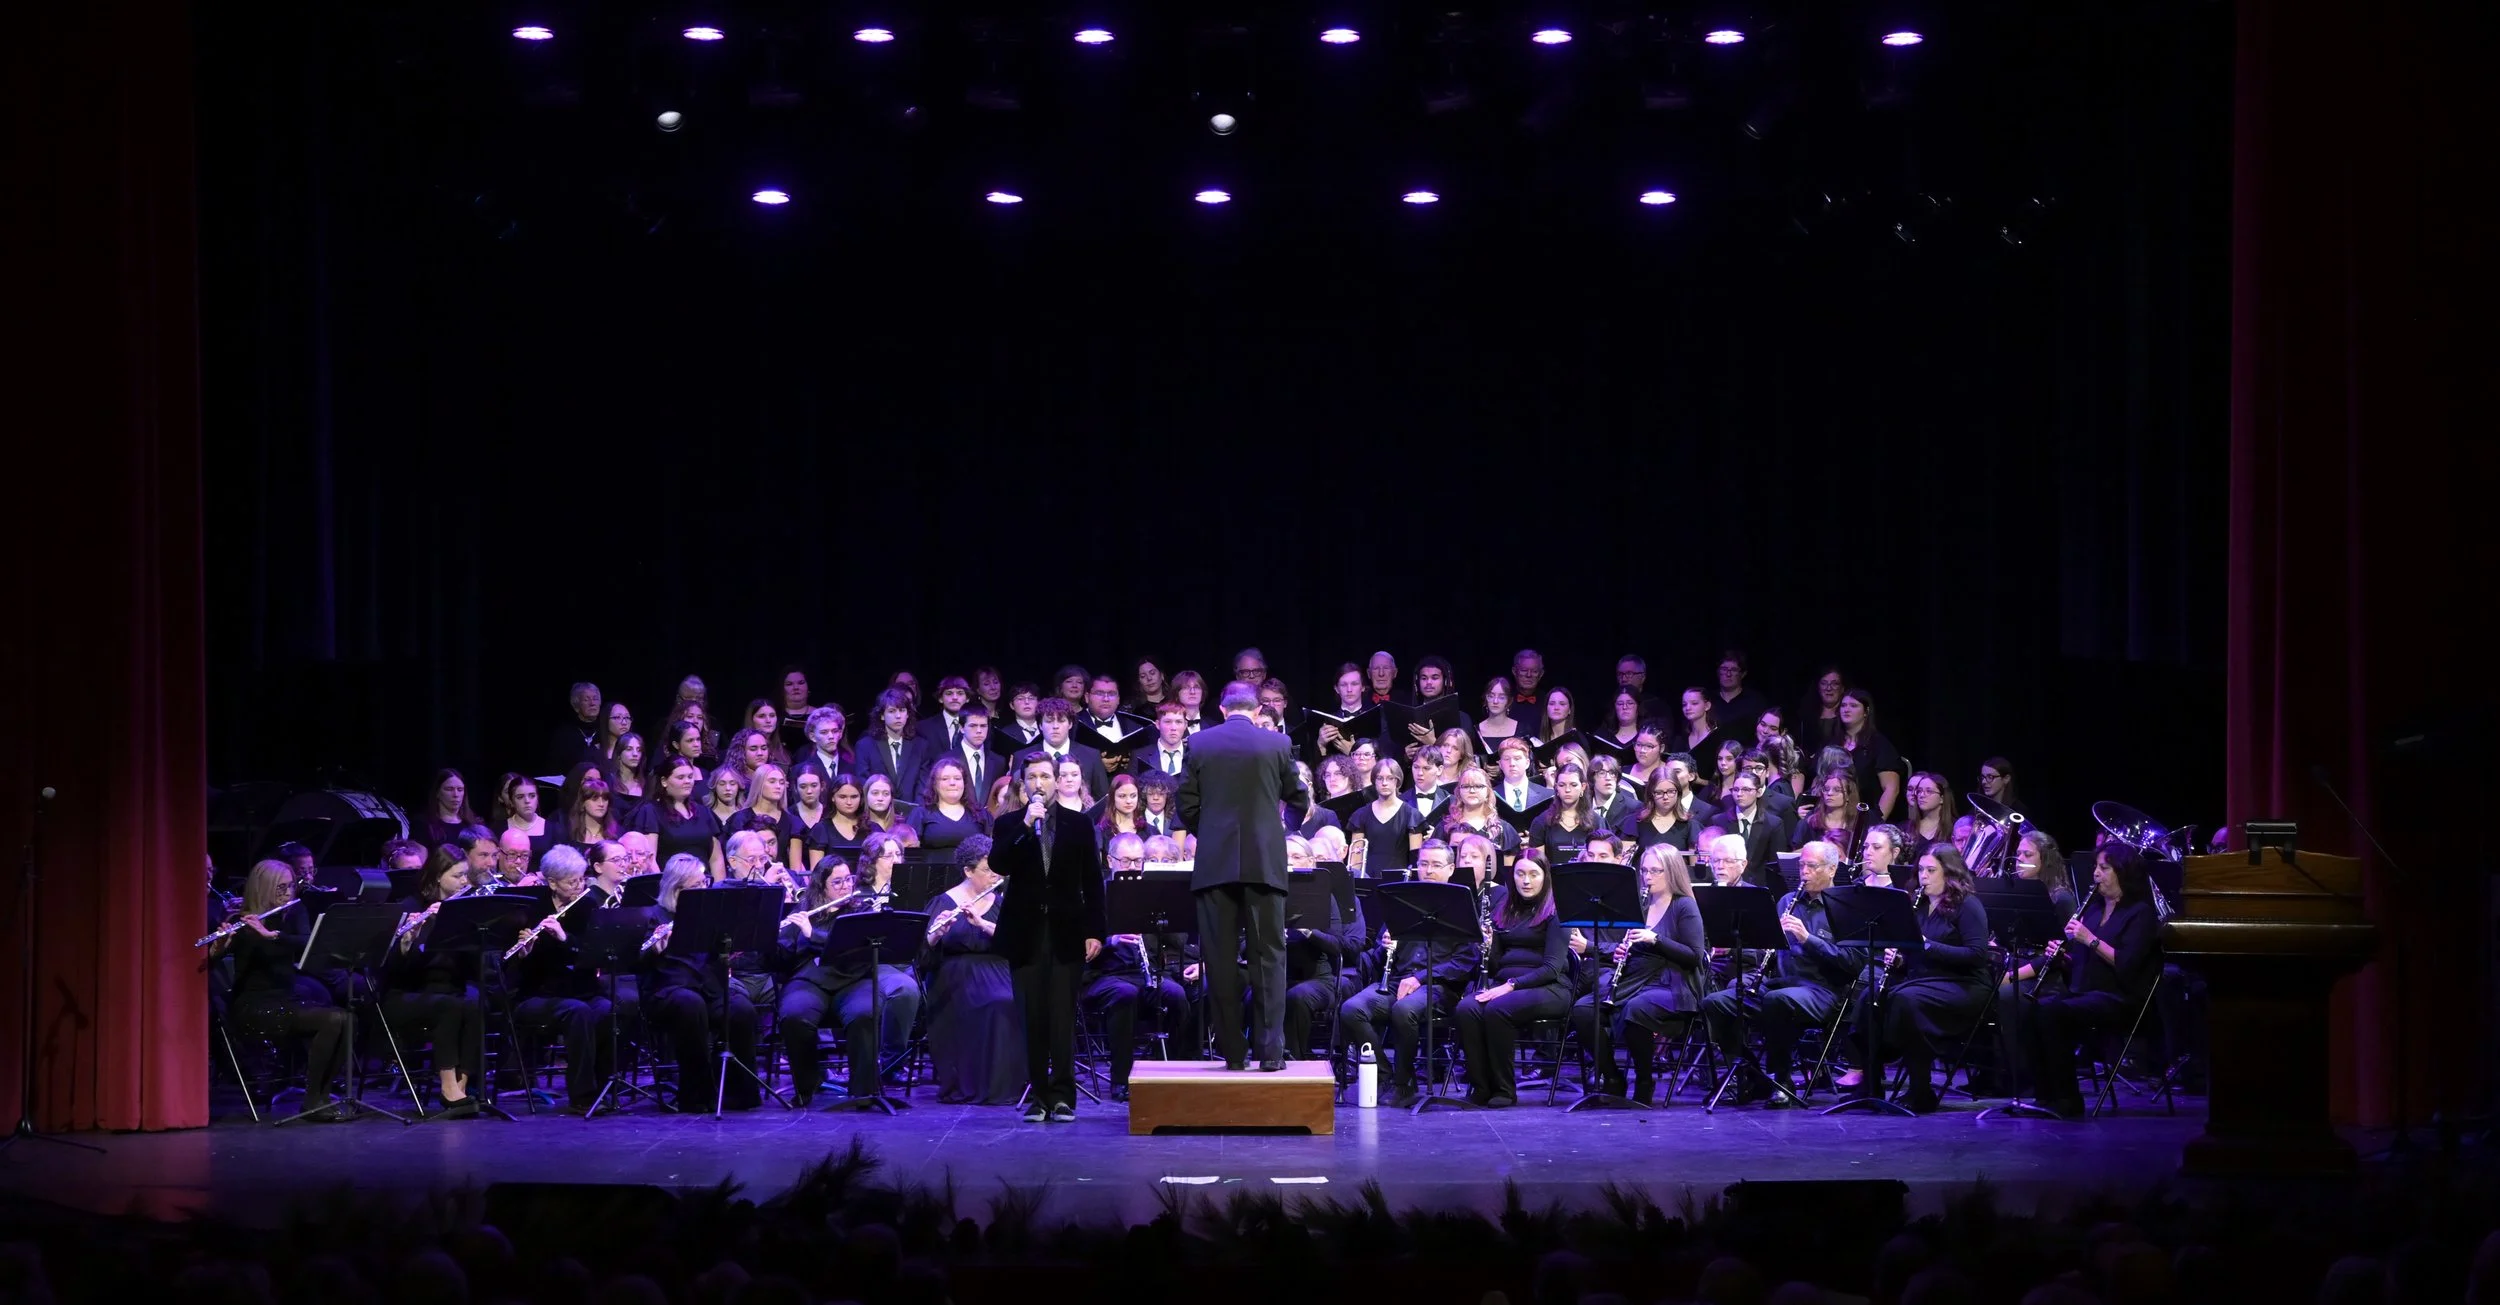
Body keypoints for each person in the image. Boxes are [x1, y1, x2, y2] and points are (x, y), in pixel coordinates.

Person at [1177, 681, 1310, 1072]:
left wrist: (1214, 834)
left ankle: (1233, 1054)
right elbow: (1299, 798)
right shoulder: (1277, 744)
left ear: (1221, 709)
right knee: (1269, 957)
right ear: (1256, 711)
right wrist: (1276, 829)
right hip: (1264, 865)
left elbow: (1185, 804)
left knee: (1218, 960)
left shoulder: (1200, 743)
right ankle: (1269, 1055)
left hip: (1215, 868)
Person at [988, 752, 1107, 1121]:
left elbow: (1093, 881)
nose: (1039, 783)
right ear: (1022, 784)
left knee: (1061, 1017)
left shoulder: (1079, 824)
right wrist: (1025, 826)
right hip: (1025, 933)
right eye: (1032, 777)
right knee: (1032, 1018)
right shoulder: (1009, 824)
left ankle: (1062, 1096)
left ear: (1057, 780)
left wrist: (1095, 930)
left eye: (1045, 776)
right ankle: (1038, 1097)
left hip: (1067, 931)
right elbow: (998, 865)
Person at [1699, 840, 1854, 1105]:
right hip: (1781, 984)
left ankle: (1781, 1079)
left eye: (1812, 866)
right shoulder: (1786, 901)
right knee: (1716, 1003)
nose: (1804, 872)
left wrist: (1807, 939)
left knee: (1777, 1000)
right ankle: (1754, 1076)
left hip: (1823, 990)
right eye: (1801, 865)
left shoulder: (1846, 907)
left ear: (1831, 869)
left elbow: (1851, 962)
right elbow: (1767, 951)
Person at [2017, 844, 2163, 1120]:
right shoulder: (2094, 911)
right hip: (2087, 993)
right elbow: (2082, 964)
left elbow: (2127, 965)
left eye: (2104, 868)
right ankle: (2044, 1094)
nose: (2096, 874)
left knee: (2052, 1014)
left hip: (2121, 999)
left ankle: (2068, 1100)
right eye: (2096, 867)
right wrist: (2063, 958)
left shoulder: (2140, 913)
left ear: (2124, 873)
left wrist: (2089, 939)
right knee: (2031, 1009)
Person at [1337, 840, 1479, 1106]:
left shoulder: (1461, 903)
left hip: (1439, 987)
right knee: (1351, 1009)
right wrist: (1385, 946)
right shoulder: (1401, 902)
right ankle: (1386, 1074)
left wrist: (1421, 978)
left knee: (1404, 1010)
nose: (1429, 870)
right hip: (1397, 983)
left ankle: (1404, 1081)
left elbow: (1466, 960)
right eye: (1424, 864)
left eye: (1436, 865)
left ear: (1451, 868)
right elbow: (1380, 958)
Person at [218, 859, 352, 1121]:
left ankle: (320, 1097)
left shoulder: (293, 912)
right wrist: (219, 946)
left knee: (348, 1019)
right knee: (334, 1019)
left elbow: (306, 942)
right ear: (263, 888)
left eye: (291, 886)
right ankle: (313, 1100)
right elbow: (213, 962)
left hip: (286, 997)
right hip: (253, 1006)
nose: (288, 893)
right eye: (280, 888)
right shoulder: (240, 920)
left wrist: (272, 935)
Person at [780, 858, 921, 1108]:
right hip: (811, 980)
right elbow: (784, 954)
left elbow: (848, 947)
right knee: (794, 1014)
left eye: (848, 879)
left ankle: (862, 1092)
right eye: (837, 882)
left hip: (854, 980)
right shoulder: (803, 910)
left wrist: (813, 935)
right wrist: (779, 935)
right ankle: (806, 1086)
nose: (846, 886)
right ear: (821, 885)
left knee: (865, 1014)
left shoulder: (861, 911)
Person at [1573, 845, 1709, 1104]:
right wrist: (1623, 950)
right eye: (1644, 870)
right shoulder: (1642, 905)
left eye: (1655, 871)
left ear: (1671, 872)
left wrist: (1655, 939)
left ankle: (1645, 1079)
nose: (1648, 877)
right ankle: (1612, 1076)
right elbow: (1629, 944)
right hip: (1637, 977)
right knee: (1583, 1010)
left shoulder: (1684, 906)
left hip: (1674, 982)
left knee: (1636, 1009)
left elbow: (1694, 955)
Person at [1869, 844, 1992, 1113]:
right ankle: (1869, 1084)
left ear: (1949, 874)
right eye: (1921, 870)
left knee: (1906, 1001)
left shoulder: (1967, 905)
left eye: (1931, 870)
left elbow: (1976, 955)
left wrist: (1926, 946)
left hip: (1964, 985)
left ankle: (1920, 1089)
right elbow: (1914, 955)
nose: (1923, 876)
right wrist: (1900, 959)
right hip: (1924, 981)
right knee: (1871, 995)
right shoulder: (1918, 905)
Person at [1080, 833, 1193, 1100]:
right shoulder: (1093, 896)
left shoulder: (1149, 896)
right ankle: (1122, 1080)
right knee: (1124, 994)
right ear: (1110, 860)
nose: (1132, 868)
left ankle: (1178, 1073)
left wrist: (1157, 924)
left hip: (1146, 973)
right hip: (1104, 975)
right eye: (1126, 861)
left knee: (1176, 995)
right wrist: (1110, 939)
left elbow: (1178, 939)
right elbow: (1079, 945)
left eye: (1137, 861)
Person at [642, 856, 761, 1112]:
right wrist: (655, 948)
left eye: (703, 883)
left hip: (709, 989)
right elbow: (637, 960)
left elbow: (721, 952)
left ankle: (738, 1092)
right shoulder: (655, 917)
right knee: (690, 1005)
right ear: (677, 889)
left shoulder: (710, 915)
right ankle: (696, 1094)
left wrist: (729, 949)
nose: (703, 890)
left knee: (741, 1010)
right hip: (667, 992)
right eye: (695, 886)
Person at [504, 845, 615, 1114]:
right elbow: (513, 965)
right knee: (578, 1012)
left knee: (608, 1008)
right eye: (571, 882)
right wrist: (525, 952)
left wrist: (565, 939)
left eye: (581, 879)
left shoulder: (588, 906)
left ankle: (604, 1089)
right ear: (552, 883)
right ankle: (582, 1097)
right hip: (538, 996)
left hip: (580, 990)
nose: (579, 886)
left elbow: (592, 953)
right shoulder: (531, 908)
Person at [1454, 853, 1571, 1107]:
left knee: (1498, 1009)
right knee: (1467, 1008)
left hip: (1549, 987)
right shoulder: (1505, 908)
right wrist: (1488, 945)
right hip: (1506, 986)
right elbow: (1495, 965)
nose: (1526, 881)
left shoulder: (1557, 911)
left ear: (1545, 877)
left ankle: (1504, 1090)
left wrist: (1510, 986)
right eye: (1520, 874)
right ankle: (1482, 1086)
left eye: (1533, 874)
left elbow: (1552, 968)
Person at [383, 852, 488, 1116]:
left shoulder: (463, 908)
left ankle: (461, 1087)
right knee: (450, 1006)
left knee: (475, 1003)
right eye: (457, 875)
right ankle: (448, 1088)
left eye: (466, 874)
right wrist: (409, 940)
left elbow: (472, 968)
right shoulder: (411, 906)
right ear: (438, 878)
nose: (465, 881)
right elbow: (390, 970)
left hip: (450, 990)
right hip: (407, 994)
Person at [1837, 688, 1906, 819]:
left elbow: (1891, 789)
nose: (1846, 709)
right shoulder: (1833, 743)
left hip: (1865, 815)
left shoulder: (1878, 744)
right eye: (1843, 705)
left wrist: (1876, 822)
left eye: (1853, 705)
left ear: (1866, 712)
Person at [906, 756, 992, 858]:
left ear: (964, 783)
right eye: (945, 779)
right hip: (932, 872)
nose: (952, 783)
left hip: (970, 873)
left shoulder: (980, 814)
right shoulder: (921, 814)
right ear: (935, 784)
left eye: (957, 778)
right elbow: (909, 854)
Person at [857, 687, 934, 798]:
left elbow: (923, 786)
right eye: (892, 711)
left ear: (908, 714)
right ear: (882, 715)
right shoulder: (865, 746)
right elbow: (864, 783)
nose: (898, 716)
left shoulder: (921, 746)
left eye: (902, 710)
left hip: (912, 812)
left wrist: (915, 813)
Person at [1709, 651, 1773, 741]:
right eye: (1724, 669)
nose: (1728, 674)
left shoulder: (1755, 701)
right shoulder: (1708, 701)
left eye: (1734, 670)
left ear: (1743, 674)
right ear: (1718, 672)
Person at [548, 682, 606, 776]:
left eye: (595, 699)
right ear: (576, 706)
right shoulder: (564, 734)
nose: (592, 703)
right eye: (586, 700)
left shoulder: (607, 730)